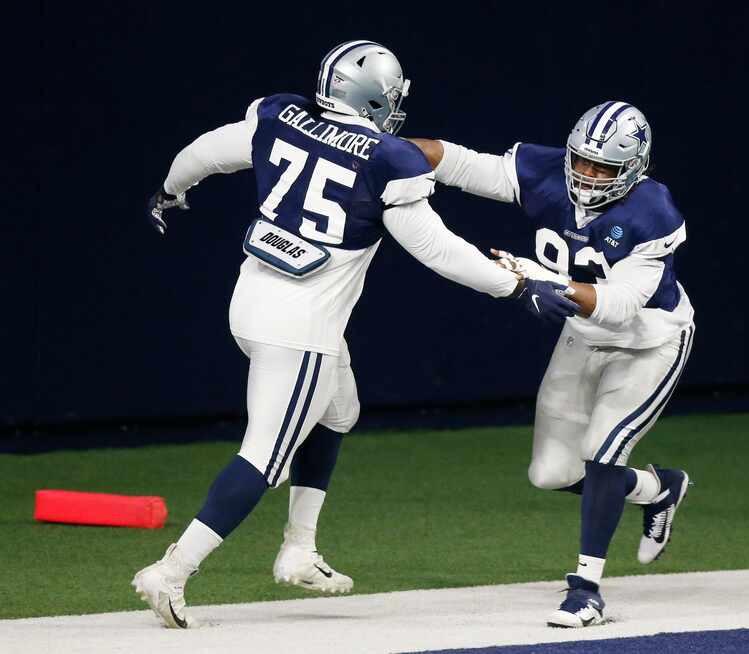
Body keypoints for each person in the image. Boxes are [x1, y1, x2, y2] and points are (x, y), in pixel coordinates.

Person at [132, 40, 565, 629]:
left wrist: (169, 188)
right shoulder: (387, 157)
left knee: (339, 411)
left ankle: (299, 549)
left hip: (253, 302)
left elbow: (206, 153)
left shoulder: (281, 115)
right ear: (373, 99)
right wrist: (514, 287)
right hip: (300, 328)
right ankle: (172, 572)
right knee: (262, 455)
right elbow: (435, 248)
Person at [410, 100, 695, 628]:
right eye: (581, 162)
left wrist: (540, 281)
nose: (586, 176)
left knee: (602, 452)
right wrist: (392, 153)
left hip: (649, 342)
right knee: (550, 473)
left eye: (602, 168)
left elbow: (620, 303)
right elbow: (464, 164)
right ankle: (660, 488)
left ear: (634, 169)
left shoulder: (652, 211)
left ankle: (586, 591)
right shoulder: (545, 171)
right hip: (582, 337)